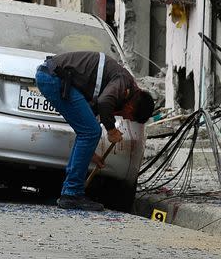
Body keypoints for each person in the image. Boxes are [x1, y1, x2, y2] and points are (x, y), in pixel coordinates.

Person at [35, 51, 155, 211]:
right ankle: (72, 193)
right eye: (129, 117)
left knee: (89, 130)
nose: (125, 118)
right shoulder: (124, 83)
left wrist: (90, 154)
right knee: (92, 131)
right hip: (54, 77)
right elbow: (105, 102)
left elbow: (85, 128)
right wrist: (111, 131)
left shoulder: (118, 88)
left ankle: (70, 193)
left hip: (53, 76)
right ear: (131, 107)